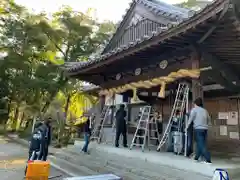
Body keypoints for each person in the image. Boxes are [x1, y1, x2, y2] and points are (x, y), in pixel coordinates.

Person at [185, 97, 211, 163]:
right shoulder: (205, 110)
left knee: (201, 144)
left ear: (195, 104)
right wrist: (207, 125)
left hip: (198, 129)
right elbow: (209, 119)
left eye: (194, 104)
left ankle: (208, 159)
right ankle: (196, 157)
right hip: (205, 129)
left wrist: (186, 127)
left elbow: (190, 119)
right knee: (200, 143)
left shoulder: (194, 110)